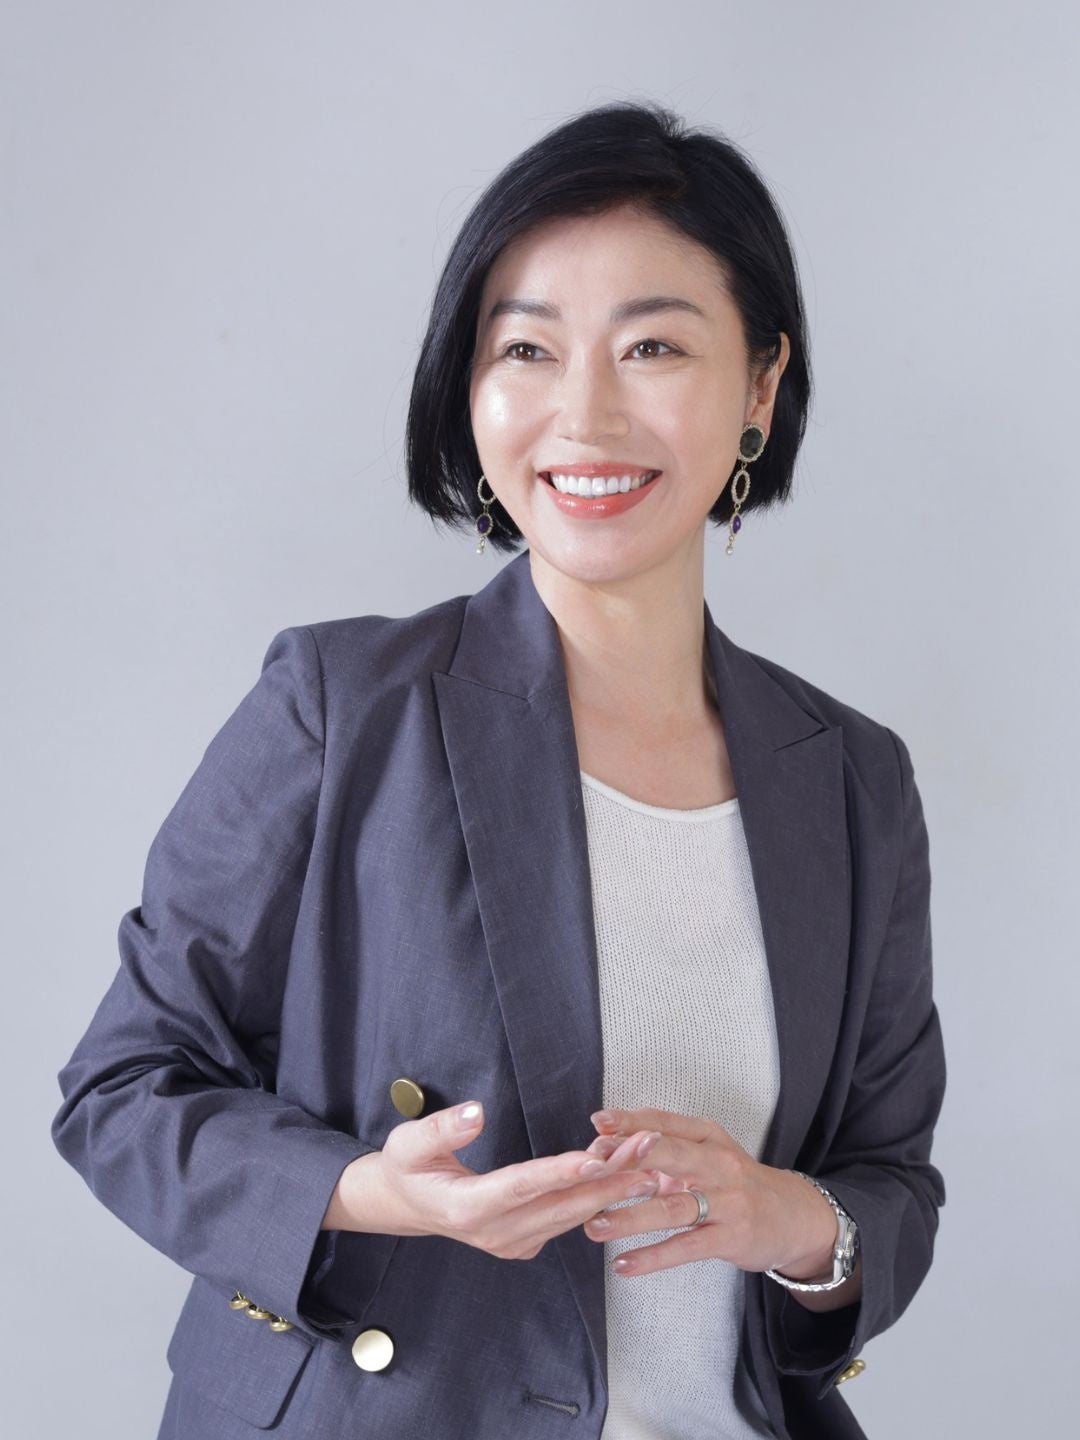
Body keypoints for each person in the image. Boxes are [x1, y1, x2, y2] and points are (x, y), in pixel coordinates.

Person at [52, 100, 946, 1440]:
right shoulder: (340, 707)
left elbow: (890, 1181)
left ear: (761, 385)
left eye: (653, 346)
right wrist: (364, 1192)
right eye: (526, 347)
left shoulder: (851, 780)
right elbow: (125, 1085)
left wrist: (790, 1219)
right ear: (467, 388)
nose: (584, 412)